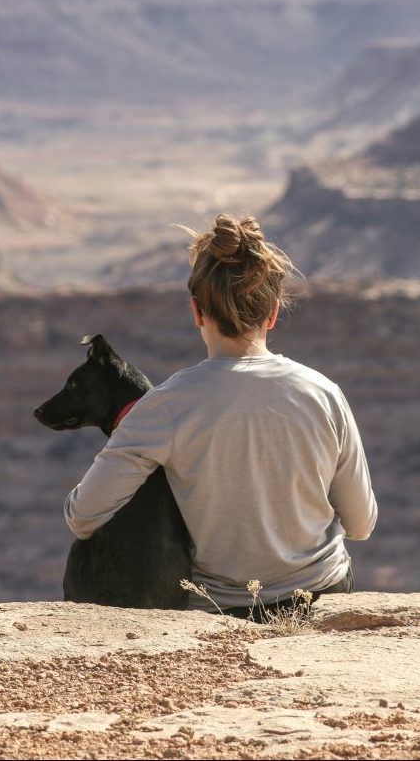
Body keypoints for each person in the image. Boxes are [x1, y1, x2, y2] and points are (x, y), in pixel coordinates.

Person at [63, 213, 377, 619]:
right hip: (321, 597)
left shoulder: (164, 406)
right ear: (273, 313)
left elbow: (82, 517)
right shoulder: (324, 394)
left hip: (223, 610)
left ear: (196, 311)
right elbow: (361, 524)